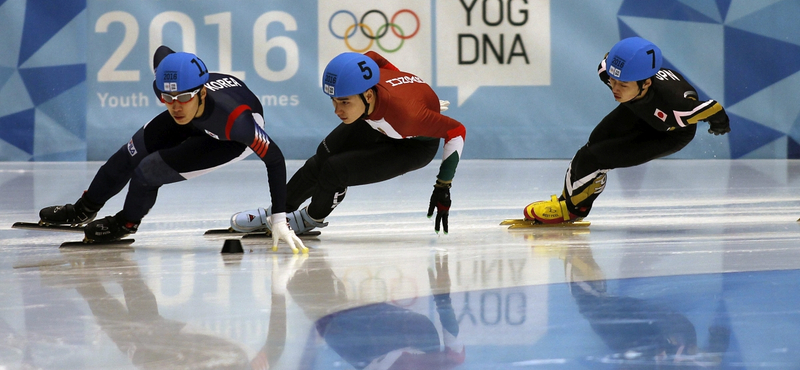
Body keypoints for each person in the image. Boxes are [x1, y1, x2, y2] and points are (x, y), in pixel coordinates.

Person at [37, 45, 305, 252]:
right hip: (196, 119)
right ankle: (83, 208)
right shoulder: (175, 88)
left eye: (183, 97)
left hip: (226, 140)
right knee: (126, 155)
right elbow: (163, 53)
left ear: (201, 92)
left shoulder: (237, 122)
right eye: (167, 97)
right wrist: (179, 98)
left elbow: (275, 159)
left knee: (147, 173)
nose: (175, 105)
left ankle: (125, 223)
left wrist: (279, 219)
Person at [230, 51, 466, 235]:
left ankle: (310, 218)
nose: (337, 111)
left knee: (335, 169)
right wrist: (413, 88)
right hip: (374, 120)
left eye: (344, 102)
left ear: (369, 95)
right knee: (321, 158)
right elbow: (374, 57)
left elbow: (457, 130)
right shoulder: (365, 84)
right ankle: (279, 211)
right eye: (333, 101)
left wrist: (443, 186)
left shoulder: (409, 117)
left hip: (412, 146)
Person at [523, 37, 731, 224]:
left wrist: (720, 125)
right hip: (638, 110)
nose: (614, 89)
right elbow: (608, 62)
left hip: (668, 133)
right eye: (613, 81)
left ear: (646, 83)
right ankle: (566, 200)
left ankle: (572, 210)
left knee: (595, 158)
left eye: (622, 84)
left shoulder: (674, 107)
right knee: (590, 147)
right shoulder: (609, 74)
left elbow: (712, 108)